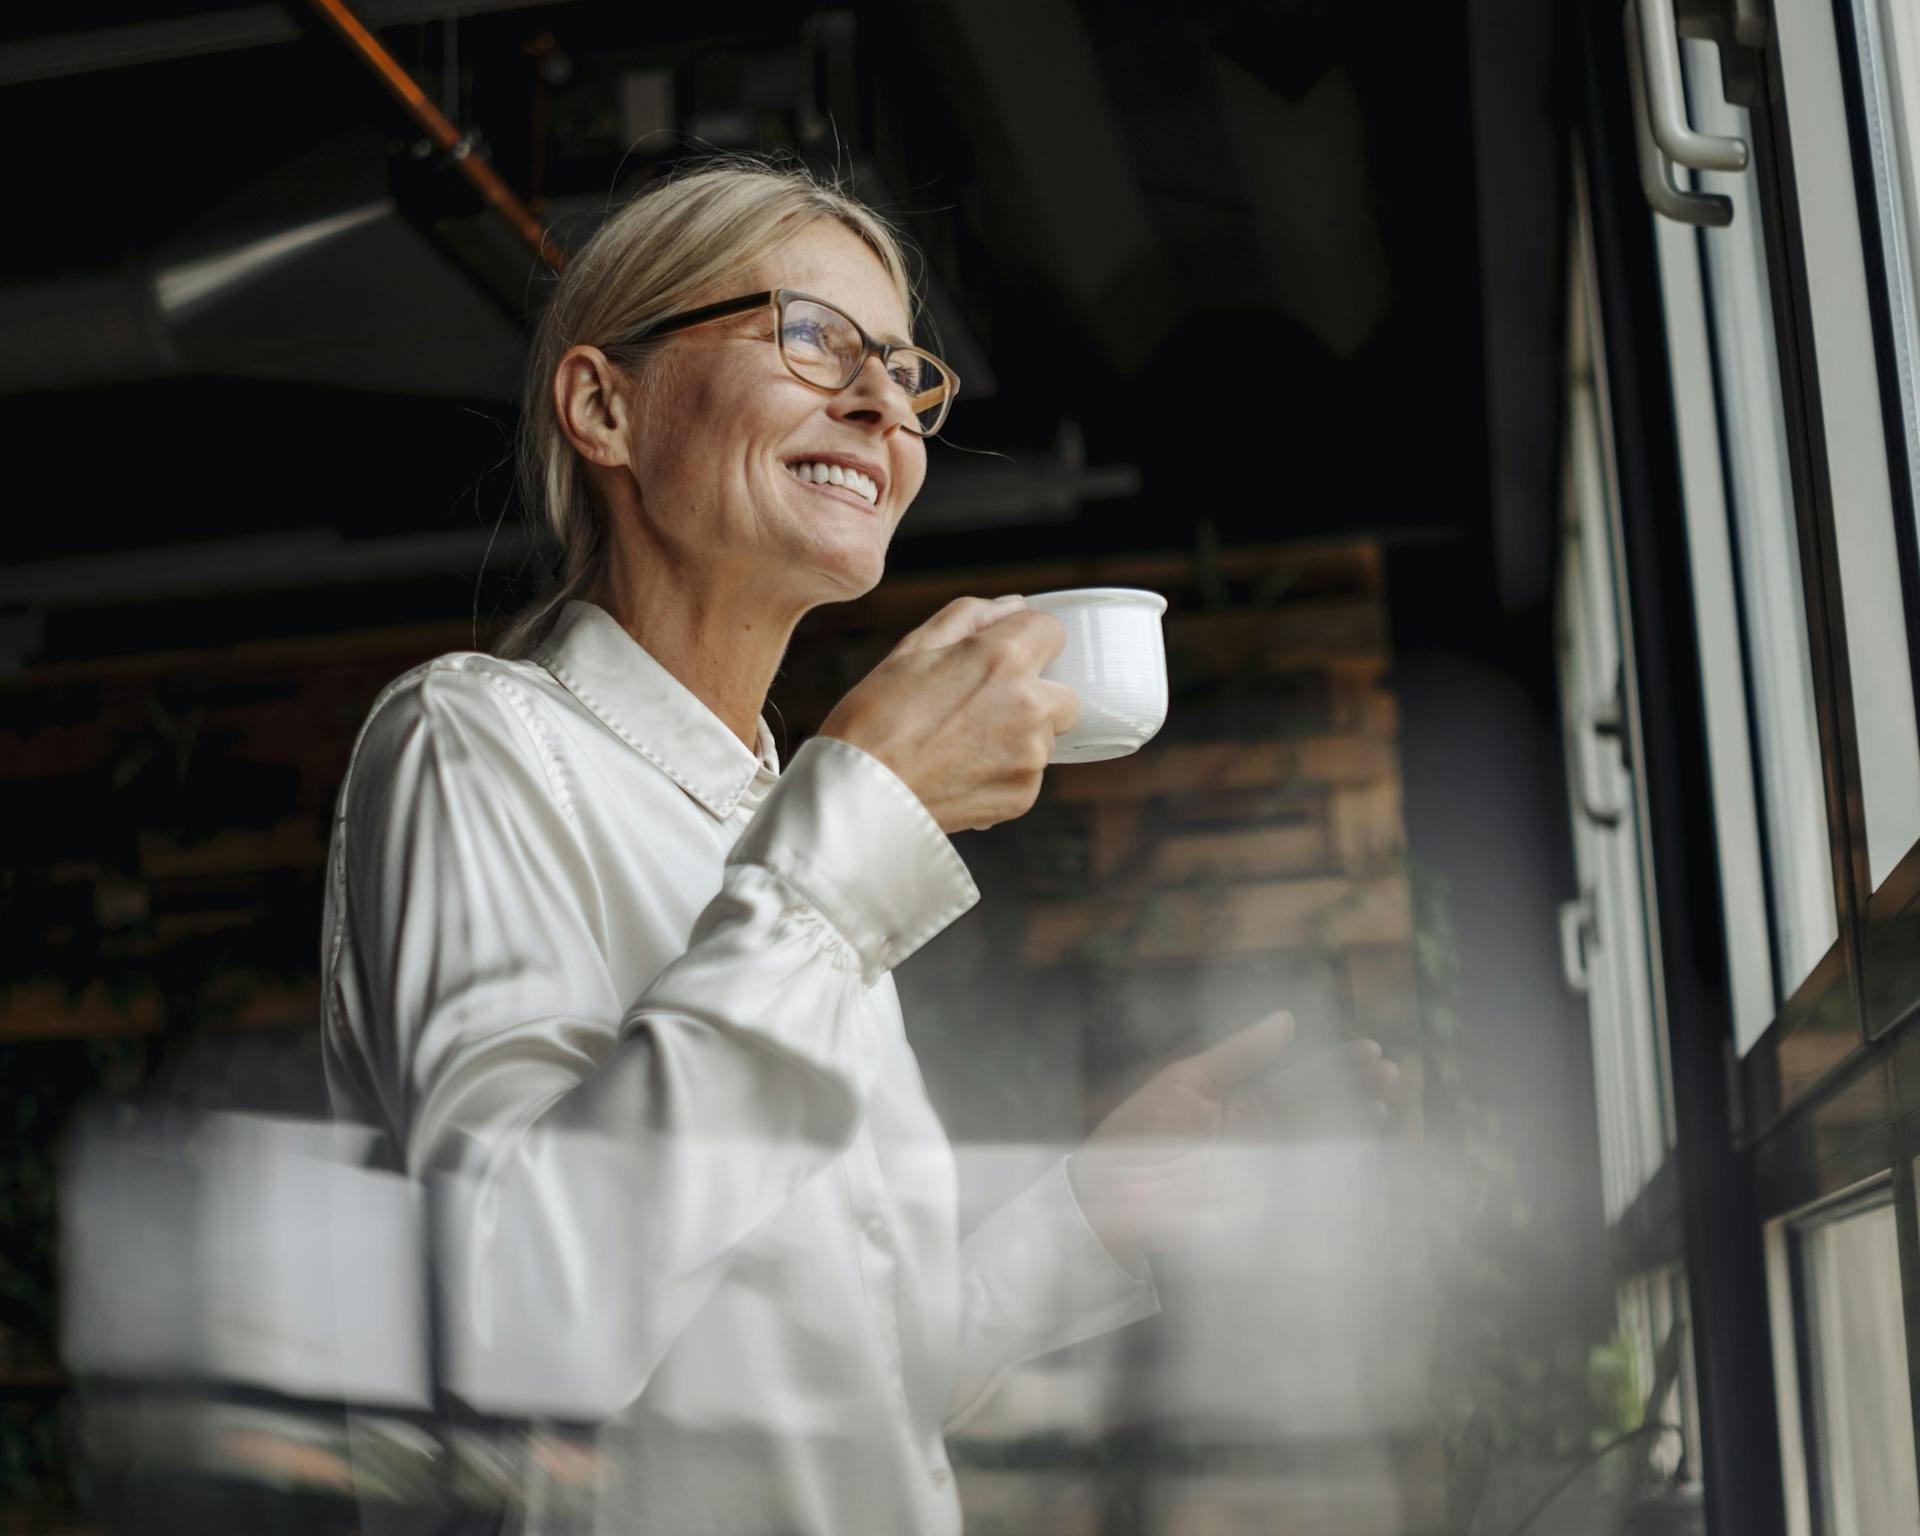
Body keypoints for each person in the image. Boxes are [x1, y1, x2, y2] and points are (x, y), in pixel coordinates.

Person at [320, 156, 1398, 1535]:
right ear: (605, 405)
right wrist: (857, 835)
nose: (884, 400)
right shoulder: (473, 742)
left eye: (905, 369)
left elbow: (825, 1384)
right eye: (811, 335)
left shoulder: (793, 822)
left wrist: (1093, 1212)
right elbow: (529, 1319)